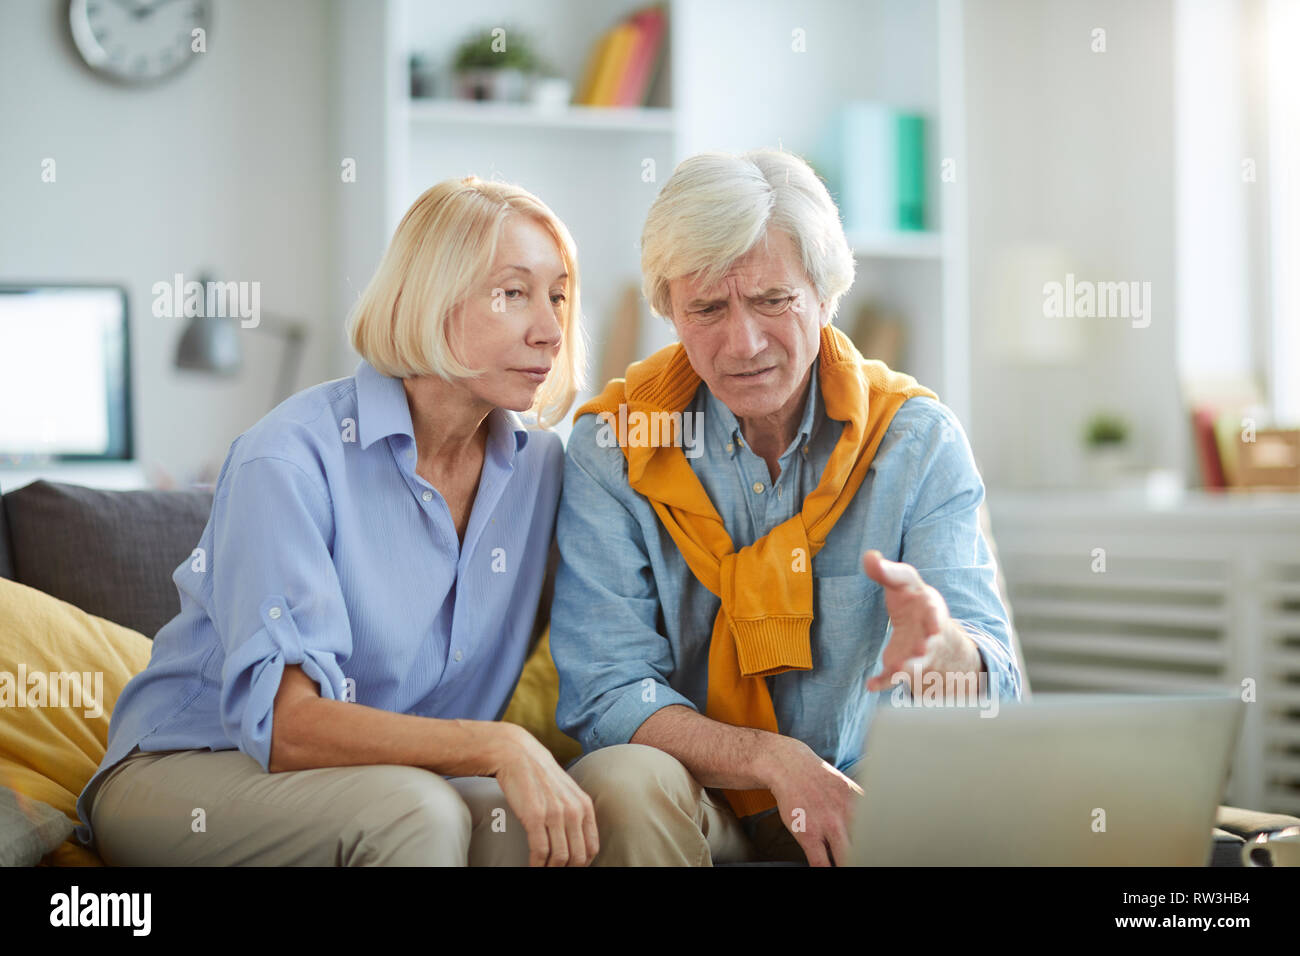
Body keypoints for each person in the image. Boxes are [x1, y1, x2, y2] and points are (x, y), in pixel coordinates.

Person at [75, 175, 598, 867]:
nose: (550, 330)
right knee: (420, 814)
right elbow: (290, 728)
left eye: (558, 295)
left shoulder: (540, 471)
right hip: (187, 770)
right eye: (513, 293)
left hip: (390, 783)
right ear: (428, 300)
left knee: (536, 823)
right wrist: (496, 744)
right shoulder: (289, 458)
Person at [550, 148, 1024, 866]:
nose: (744, 342)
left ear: (826, 295)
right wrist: (770, 760)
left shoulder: (915, 441)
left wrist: (946, 653)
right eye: (707, 307)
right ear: (670, 310)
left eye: (774, 300)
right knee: (622, 779)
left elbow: (1000, 690)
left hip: (868, 795)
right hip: (698, 795)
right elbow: (607, 693)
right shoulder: (614, 446)